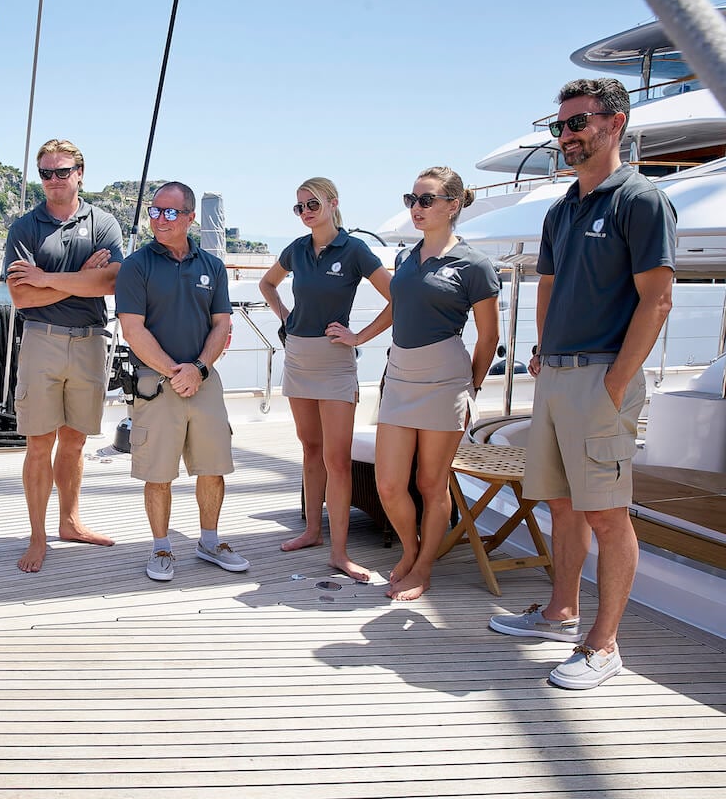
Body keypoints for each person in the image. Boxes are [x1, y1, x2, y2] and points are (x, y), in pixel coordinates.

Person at [490, 78, 675, 689]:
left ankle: (604, 645)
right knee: (562, 504)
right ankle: (560, 613)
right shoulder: (561, 208)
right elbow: (546, 286)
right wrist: (543, 352)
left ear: (614, 123)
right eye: (559, 126)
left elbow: (657, 300)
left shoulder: (640, 200)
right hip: (558, 375)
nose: (565, 135)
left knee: (606, 515)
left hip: (602, 376)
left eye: (577, 123)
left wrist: (616, 385)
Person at [374, 166, 500, 601]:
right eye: (411, 200)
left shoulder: (474, 264)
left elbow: (490, 337)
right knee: (389, 483)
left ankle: (424, 567)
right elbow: (399, 308)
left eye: (425, 200)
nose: (416, 208)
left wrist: (472, 389)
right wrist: (356, 337)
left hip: (446, 381)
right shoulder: (405, 258)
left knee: (432, 483)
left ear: (453, 205)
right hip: (399, 376)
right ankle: (411, 552)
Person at [259, 178, 392, 581]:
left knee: (337, 459)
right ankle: (313, 532)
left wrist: (359, 337)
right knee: (311, 448)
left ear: (333, 203)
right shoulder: (296, 249)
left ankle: (339, 552)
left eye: (312, 204)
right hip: (298, 356)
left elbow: (398, 297)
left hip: (335, 362)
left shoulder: (353, 249)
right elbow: (268, 284)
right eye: (299, 207)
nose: (305, 212)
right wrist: (286, 317)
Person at [116, 181, 249, 582]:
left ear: (190, 218)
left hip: (203, 381)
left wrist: (200, 369)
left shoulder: (212, 267)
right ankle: (161, 547)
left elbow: (222, 323)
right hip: (156, 384)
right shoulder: (136, 266)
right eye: (155, 211)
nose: (160, 219)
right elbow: (132, 330)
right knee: (158, 472)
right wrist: (177, 371)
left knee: (213, 466)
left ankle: (210, 542)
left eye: (171, 212)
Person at [3, 139, 122, 572]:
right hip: (42, 340)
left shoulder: (105, 223)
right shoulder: (25, 227)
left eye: (62, 171)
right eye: (46, 173)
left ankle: (69, 522)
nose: (54, 181)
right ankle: (38, 538)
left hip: (91, 341)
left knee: (74, 442)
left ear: (80, 173)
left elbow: (111, 283)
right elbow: (19, 295)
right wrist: (81, 276)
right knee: (39, 444)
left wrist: (45, 278)